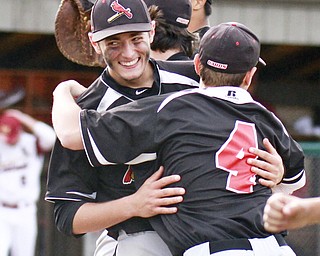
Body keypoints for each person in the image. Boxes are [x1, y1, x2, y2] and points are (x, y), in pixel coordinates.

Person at [47, 1, 286, 255]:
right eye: (114, 43)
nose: (128, 53)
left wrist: (277, 169)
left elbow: (248, 124)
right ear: (95, 43)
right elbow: (67, 215)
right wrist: (133, 205)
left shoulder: (196, 79)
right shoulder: (84, 112)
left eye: (136, 38)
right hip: (139, 238)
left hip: (213, 235)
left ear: (151, 31)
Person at [0, 109, 55, 256]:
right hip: (2, 210)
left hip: (25, 209)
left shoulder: (29, 142)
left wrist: (22, 117)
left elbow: (50, 137)